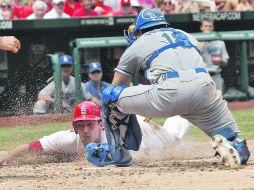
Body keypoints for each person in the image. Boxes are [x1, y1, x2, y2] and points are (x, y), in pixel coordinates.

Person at [85, 8, 250, 168]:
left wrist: (140, 105)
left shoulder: (139, 43)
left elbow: (117, 85)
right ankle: (234, 146)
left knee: (110, 95)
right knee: (238, 143)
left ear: (141, 30)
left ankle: (118, 154)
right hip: (205, 91)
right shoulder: (187, 35)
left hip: (168, 94)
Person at [0, 101, 190, 166]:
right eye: (80, 125)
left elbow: (130, 160)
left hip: (146, 133)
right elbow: (31, 147)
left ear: (100, 124)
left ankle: (191, 107)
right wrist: (7, 156)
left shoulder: (114, 136)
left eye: (89, 124)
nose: (84, 130)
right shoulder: (66, 137)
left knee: (174, 137)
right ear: (74, 127)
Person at [33, 54, 100, 114]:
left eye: (68, 66)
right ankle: (40, 125)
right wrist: (57, 101)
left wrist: (102, 104)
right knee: (40, 103)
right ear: (60, 67)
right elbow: (40, 95)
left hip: (74, 115)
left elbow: (90, 99)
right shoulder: (55, 82)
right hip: (57, 116)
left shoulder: (77, 82)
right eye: (63, 66)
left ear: (72, 67)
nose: (66, 68)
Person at [199, 17, 229, 95]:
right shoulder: (196, 40)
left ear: (213, 27)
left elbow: (226, 62)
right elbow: (198, 53)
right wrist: (205, 38)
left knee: (218, 101)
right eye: (205, 26)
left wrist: (220, 61)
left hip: (216, 75)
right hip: (202, 76)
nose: (208, 28)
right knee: (202, 102)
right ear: (201, 27)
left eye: (210, 26)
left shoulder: (220, 42)